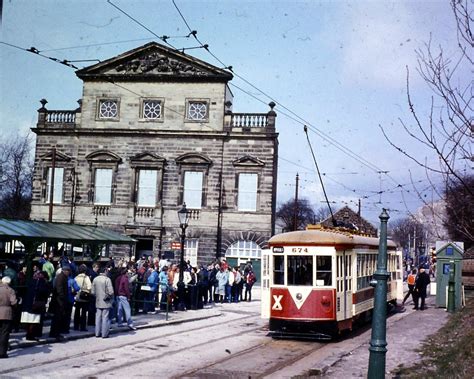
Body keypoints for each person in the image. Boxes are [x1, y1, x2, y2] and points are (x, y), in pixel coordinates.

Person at [23, 270, 50, 341]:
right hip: (37, 303)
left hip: (30, 303)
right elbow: (44, 292)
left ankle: (29, 334)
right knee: (35, 320)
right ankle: (32, 334)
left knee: (30, 320)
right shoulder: (42, 282)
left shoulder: (31, 282)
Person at [49, 265, 71, 340]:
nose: (69, 273)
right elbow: (59, 289)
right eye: (68, 271)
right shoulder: (61, 277)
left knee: (58, 318)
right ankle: (55, 333)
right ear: (65, 271)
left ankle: (56, 333)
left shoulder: (62, 277)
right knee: (57, 318)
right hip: (58, 301)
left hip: (59, 301)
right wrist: (63, 298)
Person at [91, 267, 114, 338]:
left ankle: (97, 333)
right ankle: (104, 334)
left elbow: (92, 292)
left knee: (98, 318)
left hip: (98, 300)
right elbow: (111, 292)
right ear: (105, 271)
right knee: (105, 318)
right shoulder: (107, 279)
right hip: (106, 301)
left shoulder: (95, 279)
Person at [0, 276, 18, 358]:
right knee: (4, 333)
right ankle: (2, 352)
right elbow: (13, 302)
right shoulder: (10, 290)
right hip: (6, 313)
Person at [74, 264, 92, 331]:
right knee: (83, 313)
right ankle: (82, 327)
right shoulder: (86, 277)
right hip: (84, 297)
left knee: (77, 312)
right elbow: (89, 287)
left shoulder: (76, 277)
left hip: (77, 296)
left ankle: (76, 326)